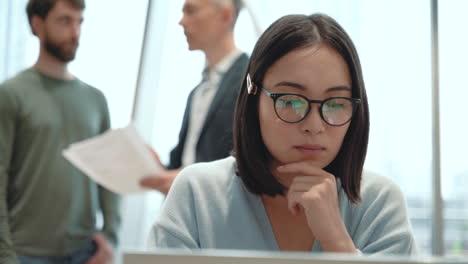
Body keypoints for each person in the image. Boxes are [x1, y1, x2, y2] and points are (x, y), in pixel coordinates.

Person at [149, 13, 417, 254]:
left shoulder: (379, 203)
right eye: (290, 101)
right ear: (254, 99)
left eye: (335, 104)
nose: (315, 125)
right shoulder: (198, 193)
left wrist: (337, 241)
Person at [0, 0, 121, 263]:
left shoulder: (95, 99)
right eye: (65, 21)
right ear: (37, 24)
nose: (75, 33)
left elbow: (109, 173)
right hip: (26, 254)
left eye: (80, 22)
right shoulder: (11, 94)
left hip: (85, 252)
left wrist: (111, 237)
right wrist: (5, 255)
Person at [140, 0, 249, 195]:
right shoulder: (198, 91)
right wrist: (159, 170)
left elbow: (248, 164)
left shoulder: (251, 81)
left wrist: (186, 181)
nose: (181, 21)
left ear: (225, 15)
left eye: (191, 11)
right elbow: (187, 163)